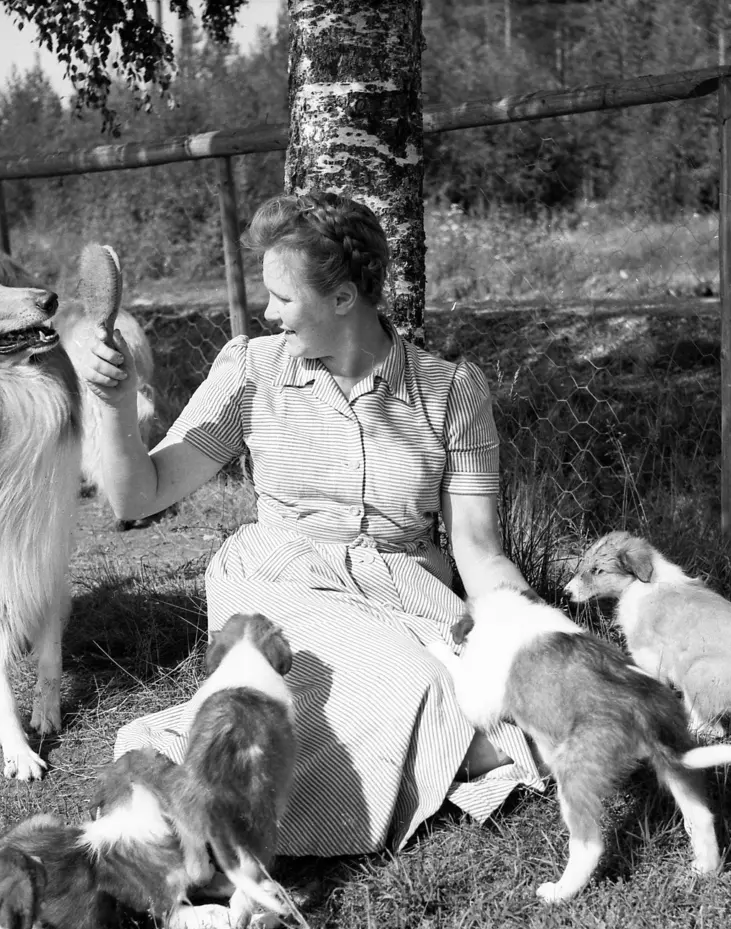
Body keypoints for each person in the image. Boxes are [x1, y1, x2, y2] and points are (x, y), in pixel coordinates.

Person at [75, 191, 546, 857]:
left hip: (401, 587)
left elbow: (475, 546)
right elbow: (138, 497)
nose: (268, 312)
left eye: (282, 297)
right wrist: (116, 405)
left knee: (508, 699)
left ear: (345, 298)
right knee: (413, 682)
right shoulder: (252, 370)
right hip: (279, 579)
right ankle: (186, 773)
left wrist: (535, 631)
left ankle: (193, 781)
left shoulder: (449, 393)